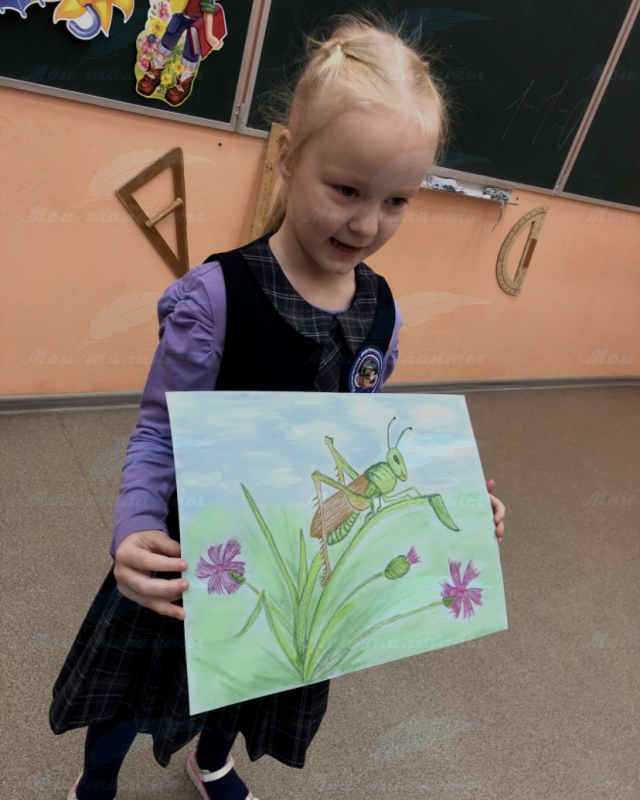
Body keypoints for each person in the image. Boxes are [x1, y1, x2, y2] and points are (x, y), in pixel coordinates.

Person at [50, 11, 506, 800]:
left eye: (397, 200)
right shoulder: (214, 298)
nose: (367, 223)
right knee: (131, 689)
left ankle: (211, 759)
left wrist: (461, 500)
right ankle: (96, 781)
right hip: (196, 548)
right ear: (289, 157)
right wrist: (133, 531)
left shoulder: (383, 312)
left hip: (295, 554)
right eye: (346, 189)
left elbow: (364, 435)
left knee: (252, 673)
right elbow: (158, 432)